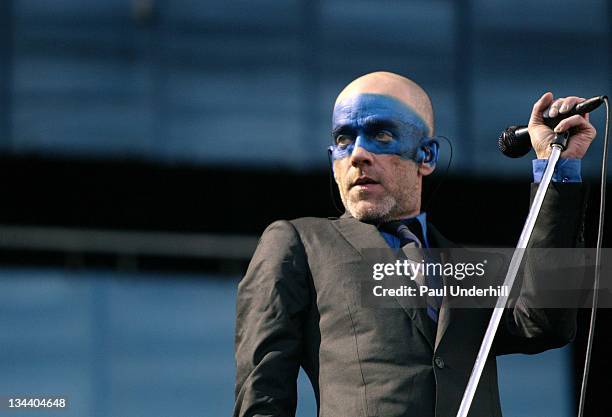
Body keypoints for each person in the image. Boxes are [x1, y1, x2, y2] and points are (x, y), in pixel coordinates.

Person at [233, 71, 596, 417]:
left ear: (426, 156)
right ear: (333, 164)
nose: (357, 154)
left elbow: (545, 322)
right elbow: (262, 394)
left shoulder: (466, 268)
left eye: (383, 136)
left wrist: (558, 167)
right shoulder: (300, 242)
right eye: (344, 140)